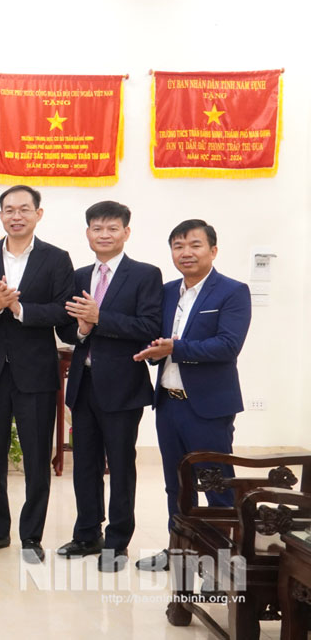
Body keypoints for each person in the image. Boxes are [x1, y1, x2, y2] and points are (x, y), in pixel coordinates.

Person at [133, 219, 251, 571]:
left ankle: (220, 558)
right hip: (168, 403)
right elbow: (154, 335)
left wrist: (176, 348)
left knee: (216, 485)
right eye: (178, 246)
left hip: (209, 407)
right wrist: (153, 350)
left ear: (213, 250)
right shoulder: (167, 291)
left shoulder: (232, 291)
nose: (186, 252)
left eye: (195, 245)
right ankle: (180, 551)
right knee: (177, 486)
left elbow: (227, 345)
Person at [53, 201, 162, 572]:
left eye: (112, 228)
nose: (104, 234)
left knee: (120, 466)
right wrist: (82, 330)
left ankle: (117, 542)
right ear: (87, 233)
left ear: (126, 232)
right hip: (83, 385)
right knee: (84, 464)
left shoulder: (145, 275)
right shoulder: (79, 276)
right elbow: (66, 327)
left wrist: (100, 318)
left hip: (123, 387)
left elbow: (149, 327)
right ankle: (87, 534)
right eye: (97, 228)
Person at [0, 185, 74, 564]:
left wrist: (21, 310)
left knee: (36, 459)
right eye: (9, 209)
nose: (16, 216)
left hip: (36, 372)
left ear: (37, 214)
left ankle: (31, 536)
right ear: (1, 215)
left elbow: (63, 311)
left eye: (24, 209)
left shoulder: (56, 259)